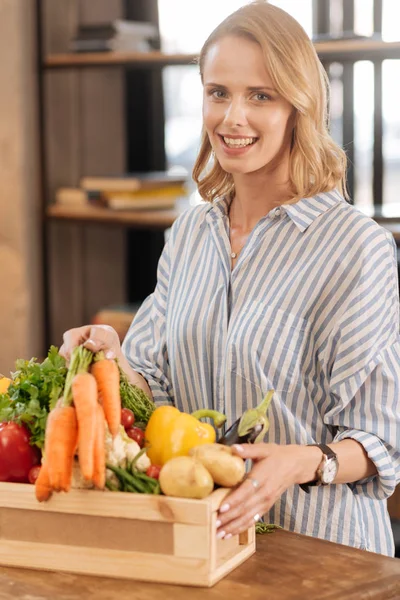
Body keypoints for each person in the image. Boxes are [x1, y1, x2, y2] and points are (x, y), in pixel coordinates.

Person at [60, 1, 400, 556]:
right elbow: (154, 391)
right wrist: (109, 359)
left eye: (259, 96)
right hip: (208, 546)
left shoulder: (355, 248)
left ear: (299, 107)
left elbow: (382, 440)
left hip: (322, 555)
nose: (232, 117)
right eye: (218, 92)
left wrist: (304, 463)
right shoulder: (191, 232)